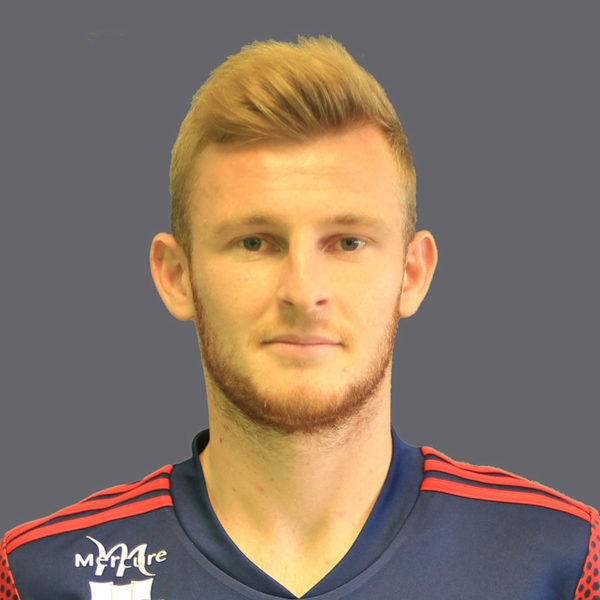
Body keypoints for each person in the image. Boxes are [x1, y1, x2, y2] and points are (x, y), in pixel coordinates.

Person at [1, 35, 597, 600]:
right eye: (255, 242)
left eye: (348, 242)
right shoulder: (35, 578)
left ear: (412, 273)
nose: (303, 292)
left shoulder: (567, 564)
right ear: (177, 276)